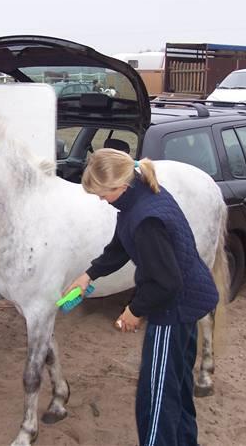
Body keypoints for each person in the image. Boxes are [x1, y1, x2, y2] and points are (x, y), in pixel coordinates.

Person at [65, 149, 219, 446]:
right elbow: (122, 244)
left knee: (156, 399)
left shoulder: (145, 217)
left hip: (174, 309)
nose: (100, 200)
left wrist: (133, 311)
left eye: (101, 193)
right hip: (189, 301)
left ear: (119, 186)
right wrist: (89, 275)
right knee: (177, 388)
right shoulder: (140, 196)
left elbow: (166, 283)